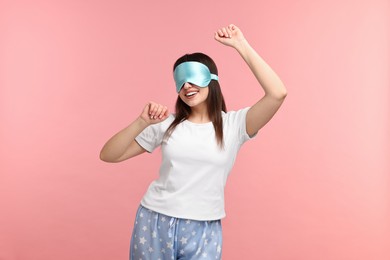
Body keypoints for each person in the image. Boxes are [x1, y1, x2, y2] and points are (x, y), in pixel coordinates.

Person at [100, 24, 287, 260]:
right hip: (154, 220)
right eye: (180, 81)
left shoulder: (235, 125)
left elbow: (277, 93)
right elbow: (108, 155)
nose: (186, 85)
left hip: (204, 227)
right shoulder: (165, 124)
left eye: (193, 78)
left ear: (212, 80)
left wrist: (241, 45)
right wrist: (140, 122)